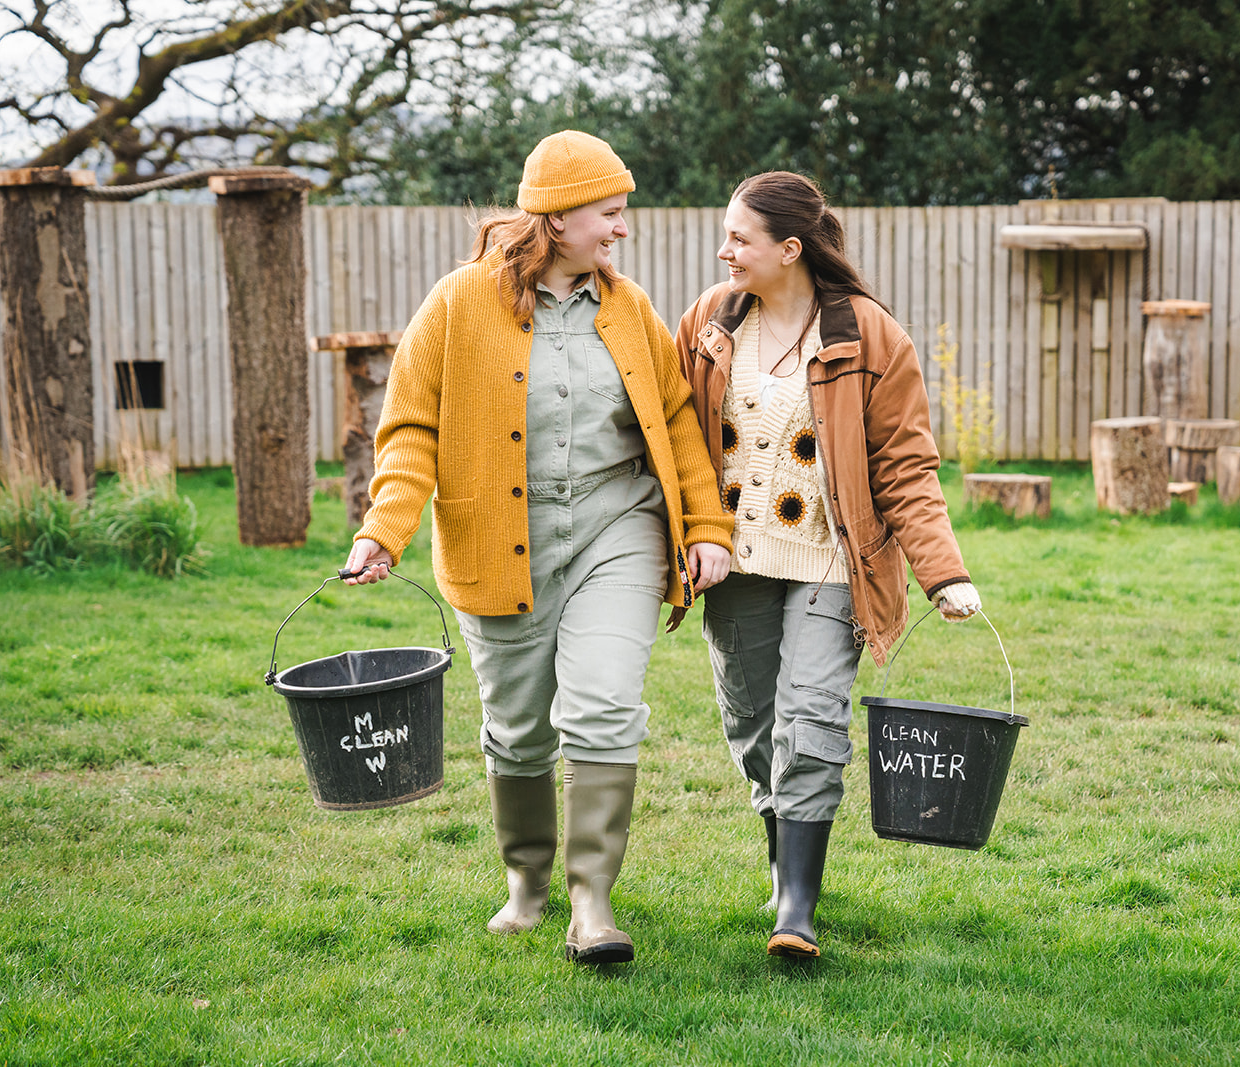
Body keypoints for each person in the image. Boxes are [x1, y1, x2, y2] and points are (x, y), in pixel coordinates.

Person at [342, 131, 733, 965]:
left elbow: (675, 427)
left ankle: (593, 901)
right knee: (518, 731)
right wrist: (385, 528)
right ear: (555, 220)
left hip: (615, 530)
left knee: (602, 705)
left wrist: (705, 528)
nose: (621, 230)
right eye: (609, 213)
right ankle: (527, 882)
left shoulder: (629, 310)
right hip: (497, 539)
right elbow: (411, 428)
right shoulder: (457, 303)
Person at [672, 171, 980, 959]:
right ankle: (784, 862)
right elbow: (672, 435)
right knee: (752, 727)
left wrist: (942, 572)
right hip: (731, 563)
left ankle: (796, 908)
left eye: (739, 238)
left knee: (808, 722)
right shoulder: (710, 323)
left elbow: (907, 466)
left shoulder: (870, 337)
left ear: (790, 248)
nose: (724, 251)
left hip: (832, 563)